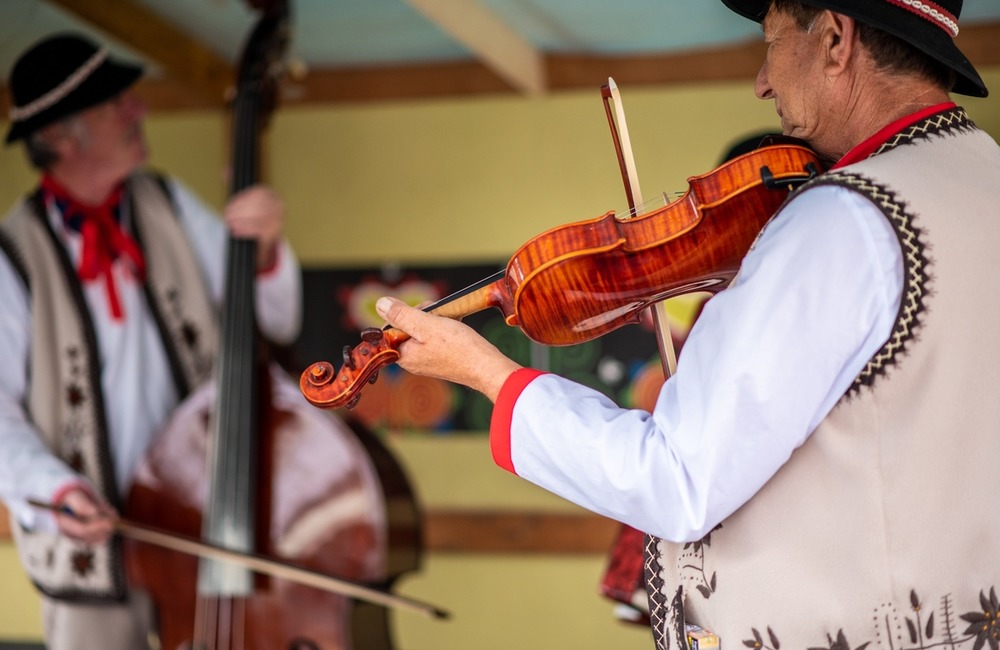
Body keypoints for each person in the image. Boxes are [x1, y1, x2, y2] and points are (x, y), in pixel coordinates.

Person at [370, 0, 1000, 648]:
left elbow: (677, 480)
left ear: (836, 40)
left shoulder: (842, 221)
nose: (762, 82)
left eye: (773, 41)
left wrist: (487, 373)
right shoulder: (984, 181)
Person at [0, 33, 301, 649]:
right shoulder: (9, 256)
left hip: (203, 526)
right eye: (116, 104)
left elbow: (274, 319)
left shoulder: (166, 202)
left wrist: (265, 251)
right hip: (93, 558)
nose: (139, 109)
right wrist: (55, 488)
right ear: (60, 136)